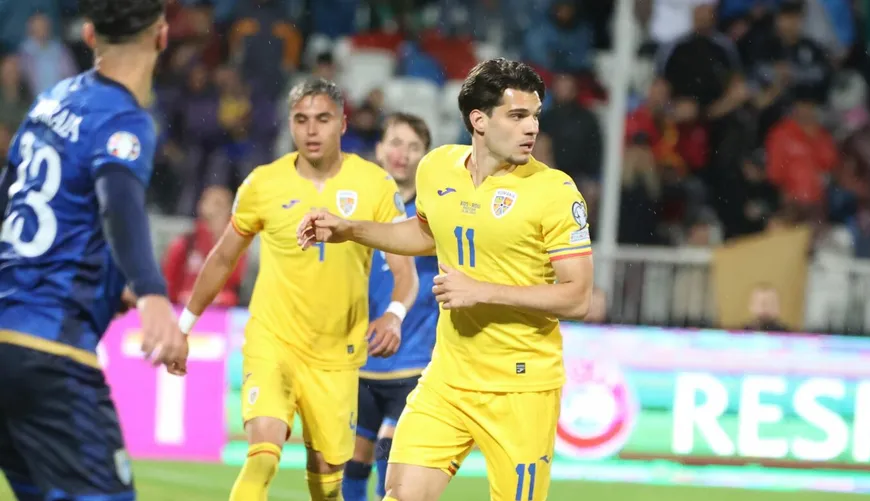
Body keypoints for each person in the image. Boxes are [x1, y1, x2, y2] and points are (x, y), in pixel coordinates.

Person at [297, 58, 595, 501]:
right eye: (517, 115)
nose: (531, 127)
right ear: (479, 120)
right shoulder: (438, 167)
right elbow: (424, 234)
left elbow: (577, 297)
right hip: (448, 377)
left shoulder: (554, 191)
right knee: (401, 494)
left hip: (521, 387)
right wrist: (350, 229)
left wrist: (482, 292)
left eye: (534, 115)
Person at [178, 78, 418, 501]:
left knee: (326, 485)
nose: (311, 130)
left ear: (342, 124)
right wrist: (183, 327)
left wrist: (394, 315)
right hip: (274, 341)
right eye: (301, 119)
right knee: (262, 455)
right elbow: (222, 258)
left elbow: (405, 270)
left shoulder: (374, 184)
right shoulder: (262, 183)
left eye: (322, 119)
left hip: (337, 354)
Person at [0, 0, 186, 499]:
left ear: (88, 35)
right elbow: (117, 204)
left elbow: (11, 207)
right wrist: (151, 293)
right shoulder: (124, 118)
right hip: (50, 352)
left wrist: (109, 283)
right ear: (162, 35)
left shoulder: (49, 101)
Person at [343, 113, 439, 501]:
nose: (403, 154)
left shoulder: (436, 215)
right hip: (360, 359)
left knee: (391, 454)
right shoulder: (355, 211)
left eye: (414, 147)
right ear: (380, 149)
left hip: (415, 361)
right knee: (353, 463)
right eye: (396, 143)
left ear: (425, 157)